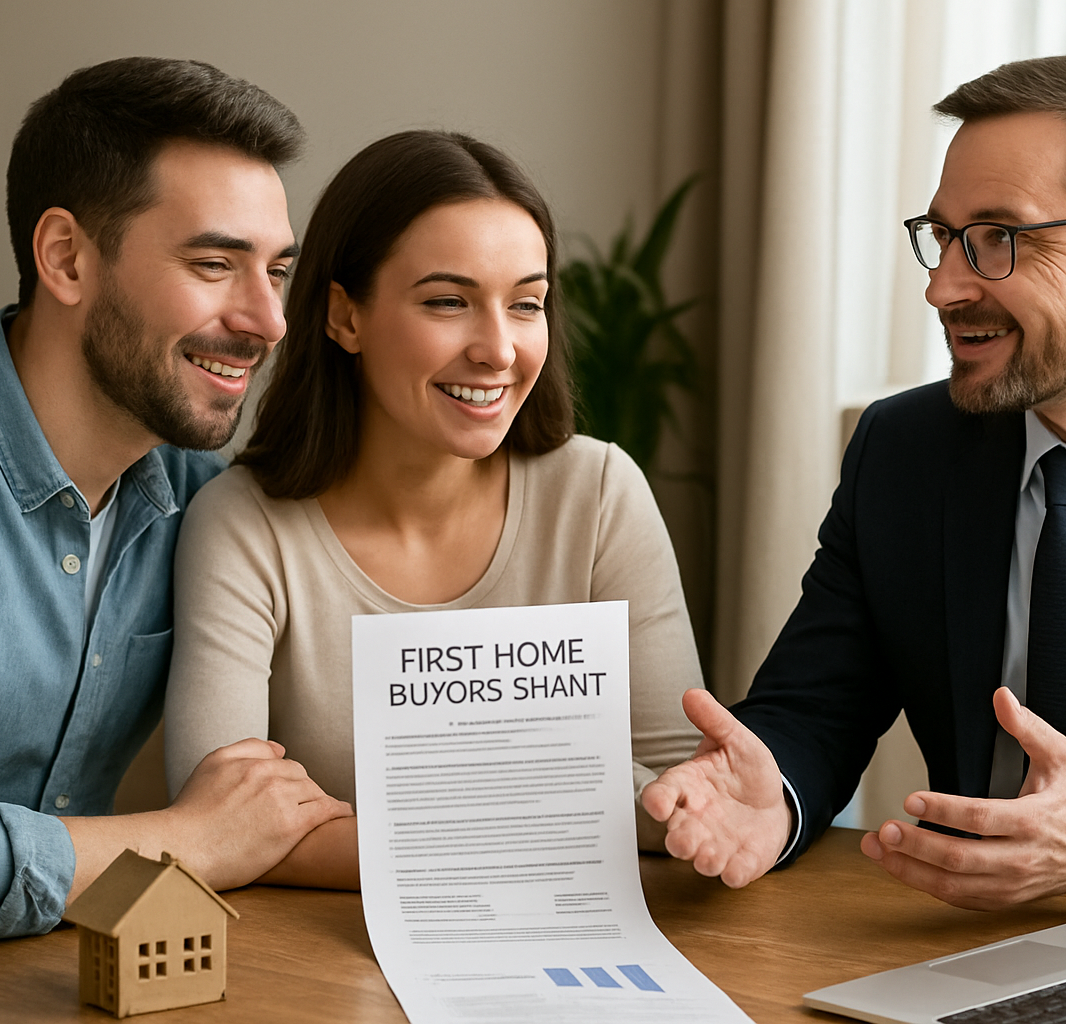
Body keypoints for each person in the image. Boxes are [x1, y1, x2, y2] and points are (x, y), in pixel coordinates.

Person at [643, 52, 1066, 922]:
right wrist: (767, 793)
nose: (943, 287)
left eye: (1000, 238)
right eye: (942, 236)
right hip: (962, 948)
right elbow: (816, 708)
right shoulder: (904, 451)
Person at [0, 58, 350, 969]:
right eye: (214, 264)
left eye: (276, 271)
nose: (269, 319)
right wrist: (186, 840)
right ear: (65, 258)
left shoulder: (203, 500)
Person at [163, 129, 704, 889]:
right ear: (345, 316)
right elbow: (218, 825)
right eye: (448, 302)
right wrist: (560, 814)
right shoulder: (243, 525)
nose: (499, 350)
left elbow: (682, 798)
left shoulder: (601, 492)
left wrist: (364, 832)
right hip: (322, 951)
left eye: (526, 304)